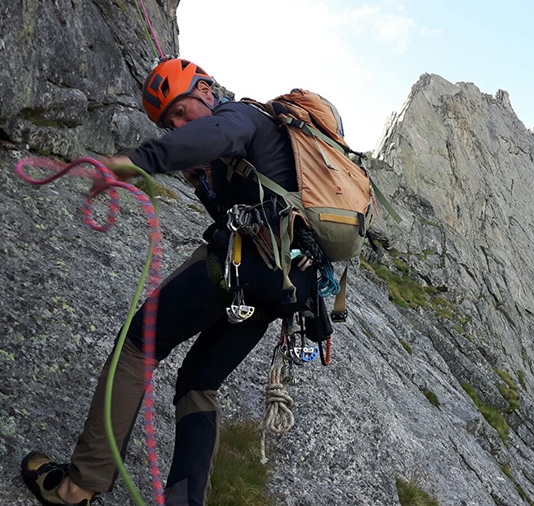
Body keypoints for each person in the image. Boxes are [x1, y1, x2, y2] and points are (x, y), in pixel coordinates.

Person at [21, 58, 320, 506]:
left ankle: (76, 487)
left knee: (136, 347)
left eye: (180, 112)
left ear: (204, 89)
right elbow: (245, 206)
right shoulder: (257, 144)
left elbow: (217, 134)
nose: (177, 124)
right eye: (168, 122)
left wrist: (135, 161)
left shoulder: (239, 116)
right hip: (283, 288)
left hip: (237, 269)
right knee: (199, 382)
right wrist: (205, 182)